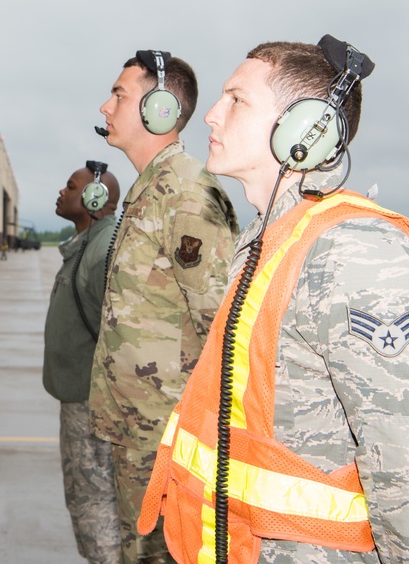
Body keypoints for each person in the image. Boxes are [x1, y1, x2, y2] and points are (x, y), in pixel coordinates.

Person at [139, 38, 409, 563]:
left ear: (307, 128)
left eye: (236, 99)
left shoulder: (354, 249)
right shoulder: (271, 238)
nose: (210, 115)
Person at [91, 50, 238, 564]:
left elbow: (222, 324)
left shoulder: (189, 194)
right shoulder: (148, 189)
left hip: (168, 436)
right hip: (137, 429)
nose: (106, 107)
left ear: (159, 110)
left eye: (120, 95)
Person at [43, 161, 124, 564]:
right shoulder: (87, 246)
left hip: (92, 408)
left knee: (94, 502)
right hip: (81, 401)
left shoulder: (102, 252)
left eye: (71, 186)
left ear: (95, 199)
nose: (62, 191)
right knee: (88, 500)